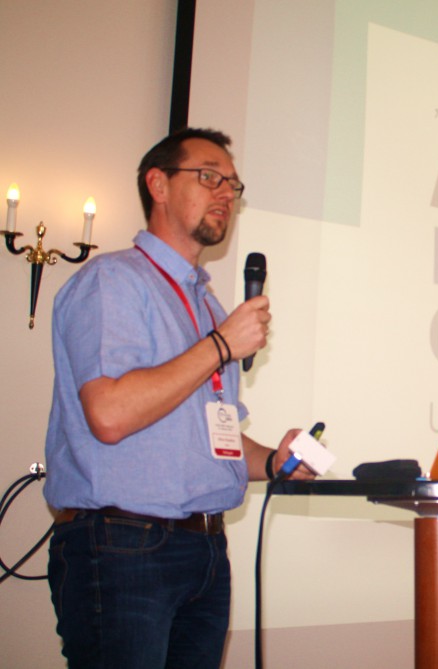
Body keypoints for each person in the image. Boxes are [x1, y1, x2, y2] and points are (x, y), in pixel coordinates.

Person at [43, 127, 314, 669]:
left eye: (233, 185)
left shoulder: (209, 308)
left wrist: (273, 461)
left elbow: (211, 434)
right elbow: (110, 414)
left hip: (205, 550)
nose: (226, 194)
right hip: (123, 545)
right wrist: (221, 346)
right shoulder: (113, 281)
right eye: (210, 177)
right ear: (158, 185)